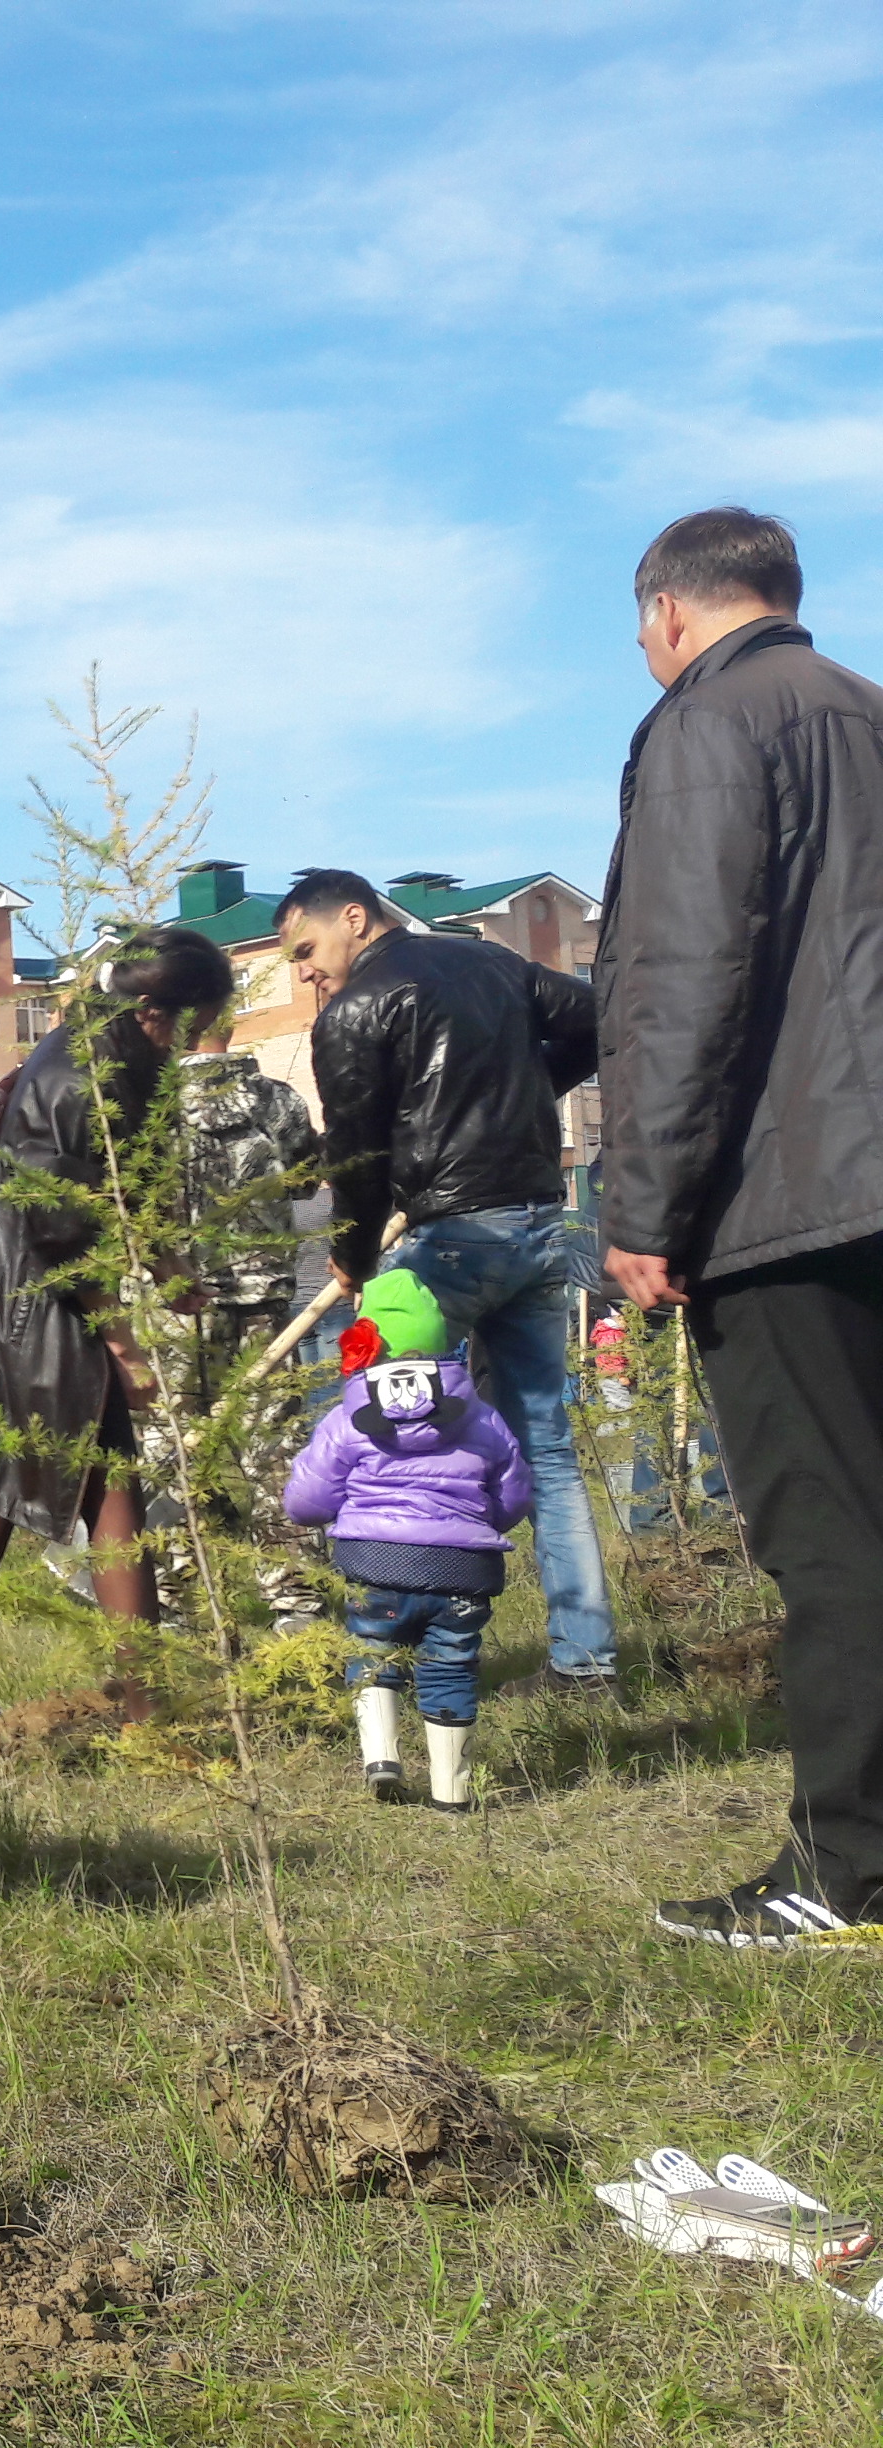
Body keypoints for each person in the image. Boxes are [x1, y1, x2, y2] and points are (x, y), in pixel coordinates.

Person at [590, 509, 883, 1947]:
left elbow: (682, 974)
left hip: (798, 1193)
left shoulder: (713, 722)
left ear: (667, 615)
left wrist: (642, 1204)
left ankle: (846, 1875)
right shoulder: (865, 714)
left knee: (831, 1533)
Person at [282, 866, 611, 1695]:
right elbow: (603, 1017)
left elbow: (355, 1156)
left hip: (446, 1249)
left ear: (354, 919)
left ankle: (384, 1656)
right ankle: (587, 1659)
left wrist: (354, 1262)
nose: (303, 972)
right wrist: (534, 1086)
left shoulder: (355, 1012)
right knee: (549, 1448)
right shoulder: (495, 965)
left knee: (375, 1429)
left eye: (306, 948)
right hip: (536, 1227)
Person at [0, 928, 237, 1733]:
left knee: (0, 1489)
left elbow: (115, 1188)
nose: (199, 1039)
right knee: (110, 1487)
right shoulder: (80, 1075)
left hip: (18, 1289)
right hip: (37, 1297)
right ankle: (144, 1707)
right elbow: (59, 1222)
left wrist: (166, 1265)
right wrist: (123, 1343)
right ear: (157, 1010)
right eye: (196, 1021)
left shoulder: (100, 1051)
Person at [282, 1271, 533, 1813]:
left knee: (371, 1651)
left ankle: (381, 1756)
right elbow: (514, 1495)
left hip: (376, 1564)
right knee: (451, 1665)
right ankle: (452, 1792)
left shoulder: (346, 1420)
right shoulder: (484, 1418)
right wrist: (477, 1529)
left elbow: (305, 1502)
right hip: (464, 1572)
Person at [149, 1023, 325, 1622]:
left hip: (171, 1309)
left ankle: (169, 1606)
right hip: (263, 1310)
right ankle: (295, 1603)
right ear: (226, 1023)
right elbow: (306, 1179)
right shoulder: (278, 1101)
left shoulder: (149, 1104)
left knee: (171, 1453)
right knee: (274, 1454)